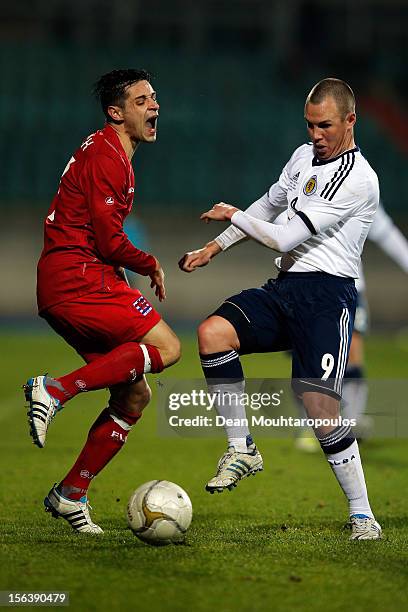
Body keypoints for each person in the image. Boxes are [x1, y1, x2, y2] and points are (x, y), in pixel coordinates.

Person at [179, 78, 382, 540]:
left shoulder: (359, 178)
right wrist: (216, 246)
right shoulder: (302, 156)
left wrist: (232, 215)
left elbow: (285, 236)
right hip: (286, 287)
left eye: (325, 125)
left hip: (327, 299)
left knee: (320, 409)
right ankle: (242, 448)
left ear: (351, 120)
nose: (316, 134)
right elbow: (270, 205)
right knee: (213, 332)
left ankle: (362, 513)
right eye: (310, 124)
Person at [24, 69, 181, 534]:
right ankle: (55, 390)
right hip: (78, 278)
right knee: (169, 348)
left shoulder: (107, 150)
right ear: (116, 112)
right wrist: (149, 261)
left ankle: (70, 494)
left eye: (154, 98)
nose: (153, 107)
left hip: (68, 281)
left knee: (134, 394)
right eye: (140, 101)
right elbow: (110, 241)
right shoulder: (109, 157)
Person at [295, 201, 408, 451]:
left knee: (352, 349)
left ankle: (351, 422)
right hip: (307, 285)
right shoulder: (304, 186)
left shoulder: (362, 189)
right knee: (311, 356)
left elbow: (387, 233)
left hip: (350, 286)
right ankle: (310, 426)